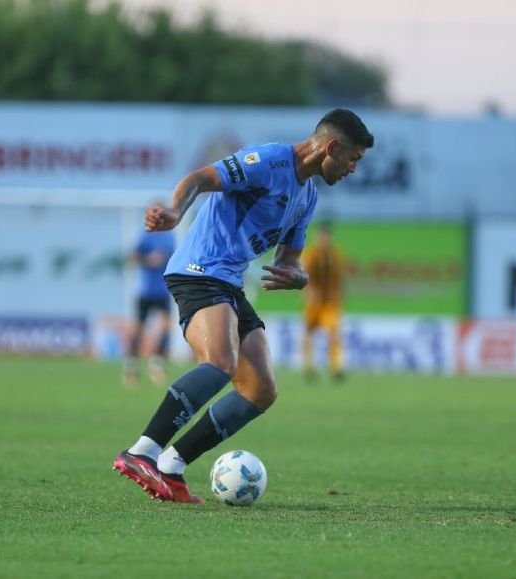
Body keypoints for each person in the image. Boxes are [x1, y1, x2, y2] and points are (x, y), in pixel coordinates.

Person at [112, 108, 374, 503]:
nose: (354, 168)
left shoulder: (306, 197)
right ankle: (142, 451)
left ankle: (172, 465)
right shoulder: (269, 161)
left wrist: (296, 275)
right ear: (332, 148)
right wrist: (173, 213)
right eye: (353, 158)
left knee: (260, 389)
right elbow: (200, 178)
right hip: (199, 270)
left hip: (229, 281)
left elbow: (289, 257)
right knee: (220, 363)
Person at [122, 227, 176, 387]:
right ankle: (131, 367)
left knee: (166, 328)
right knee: (138, 330)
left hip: (163, 291)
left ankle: (156, 365)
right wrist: (148, 259)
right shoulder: (144, 236)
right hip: (144, 291)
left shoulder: (170, 237)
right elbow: (131, 258)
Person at [301, 220, 346, 381]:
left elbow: (339, 279)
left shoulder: (336, 255)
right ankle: (309, 366)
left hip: (330, 302)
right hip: (314, 302)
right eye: (322, 236)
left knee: (334, 333)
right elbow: (305, 275)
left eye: (327, 236)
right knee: (308, 333)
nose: (325, 239)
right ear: (318, 237)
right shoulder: (311, 254)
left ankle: (336, 367)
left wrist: (340, 297)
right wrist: (309, 293)